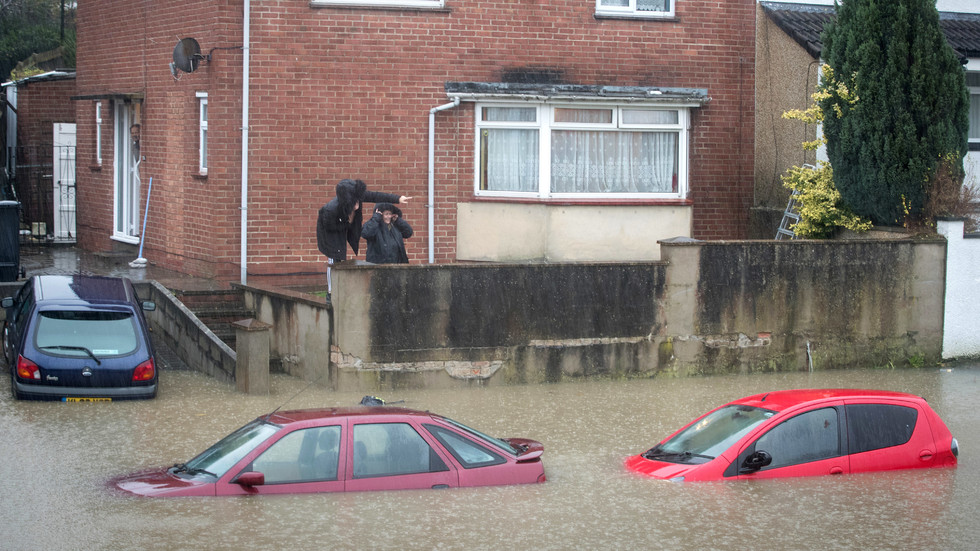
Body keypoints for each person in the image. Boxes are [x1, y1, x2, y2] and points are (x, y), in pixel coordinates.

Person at [316, 179, 410, 295]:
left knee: (342, 253)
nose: (357, 205)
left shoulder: (358, 196)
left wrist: (398, 199)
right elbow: (330, 226)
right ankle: (331, 292)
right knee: (335, 257)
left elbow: (376, 196)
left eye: (358, 202)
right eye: (353, 203)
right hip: (330, 231)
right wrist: (346, 222)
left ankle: (339, 289)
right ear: (347, 201)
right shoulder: (330, 210)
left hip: (345, 222)